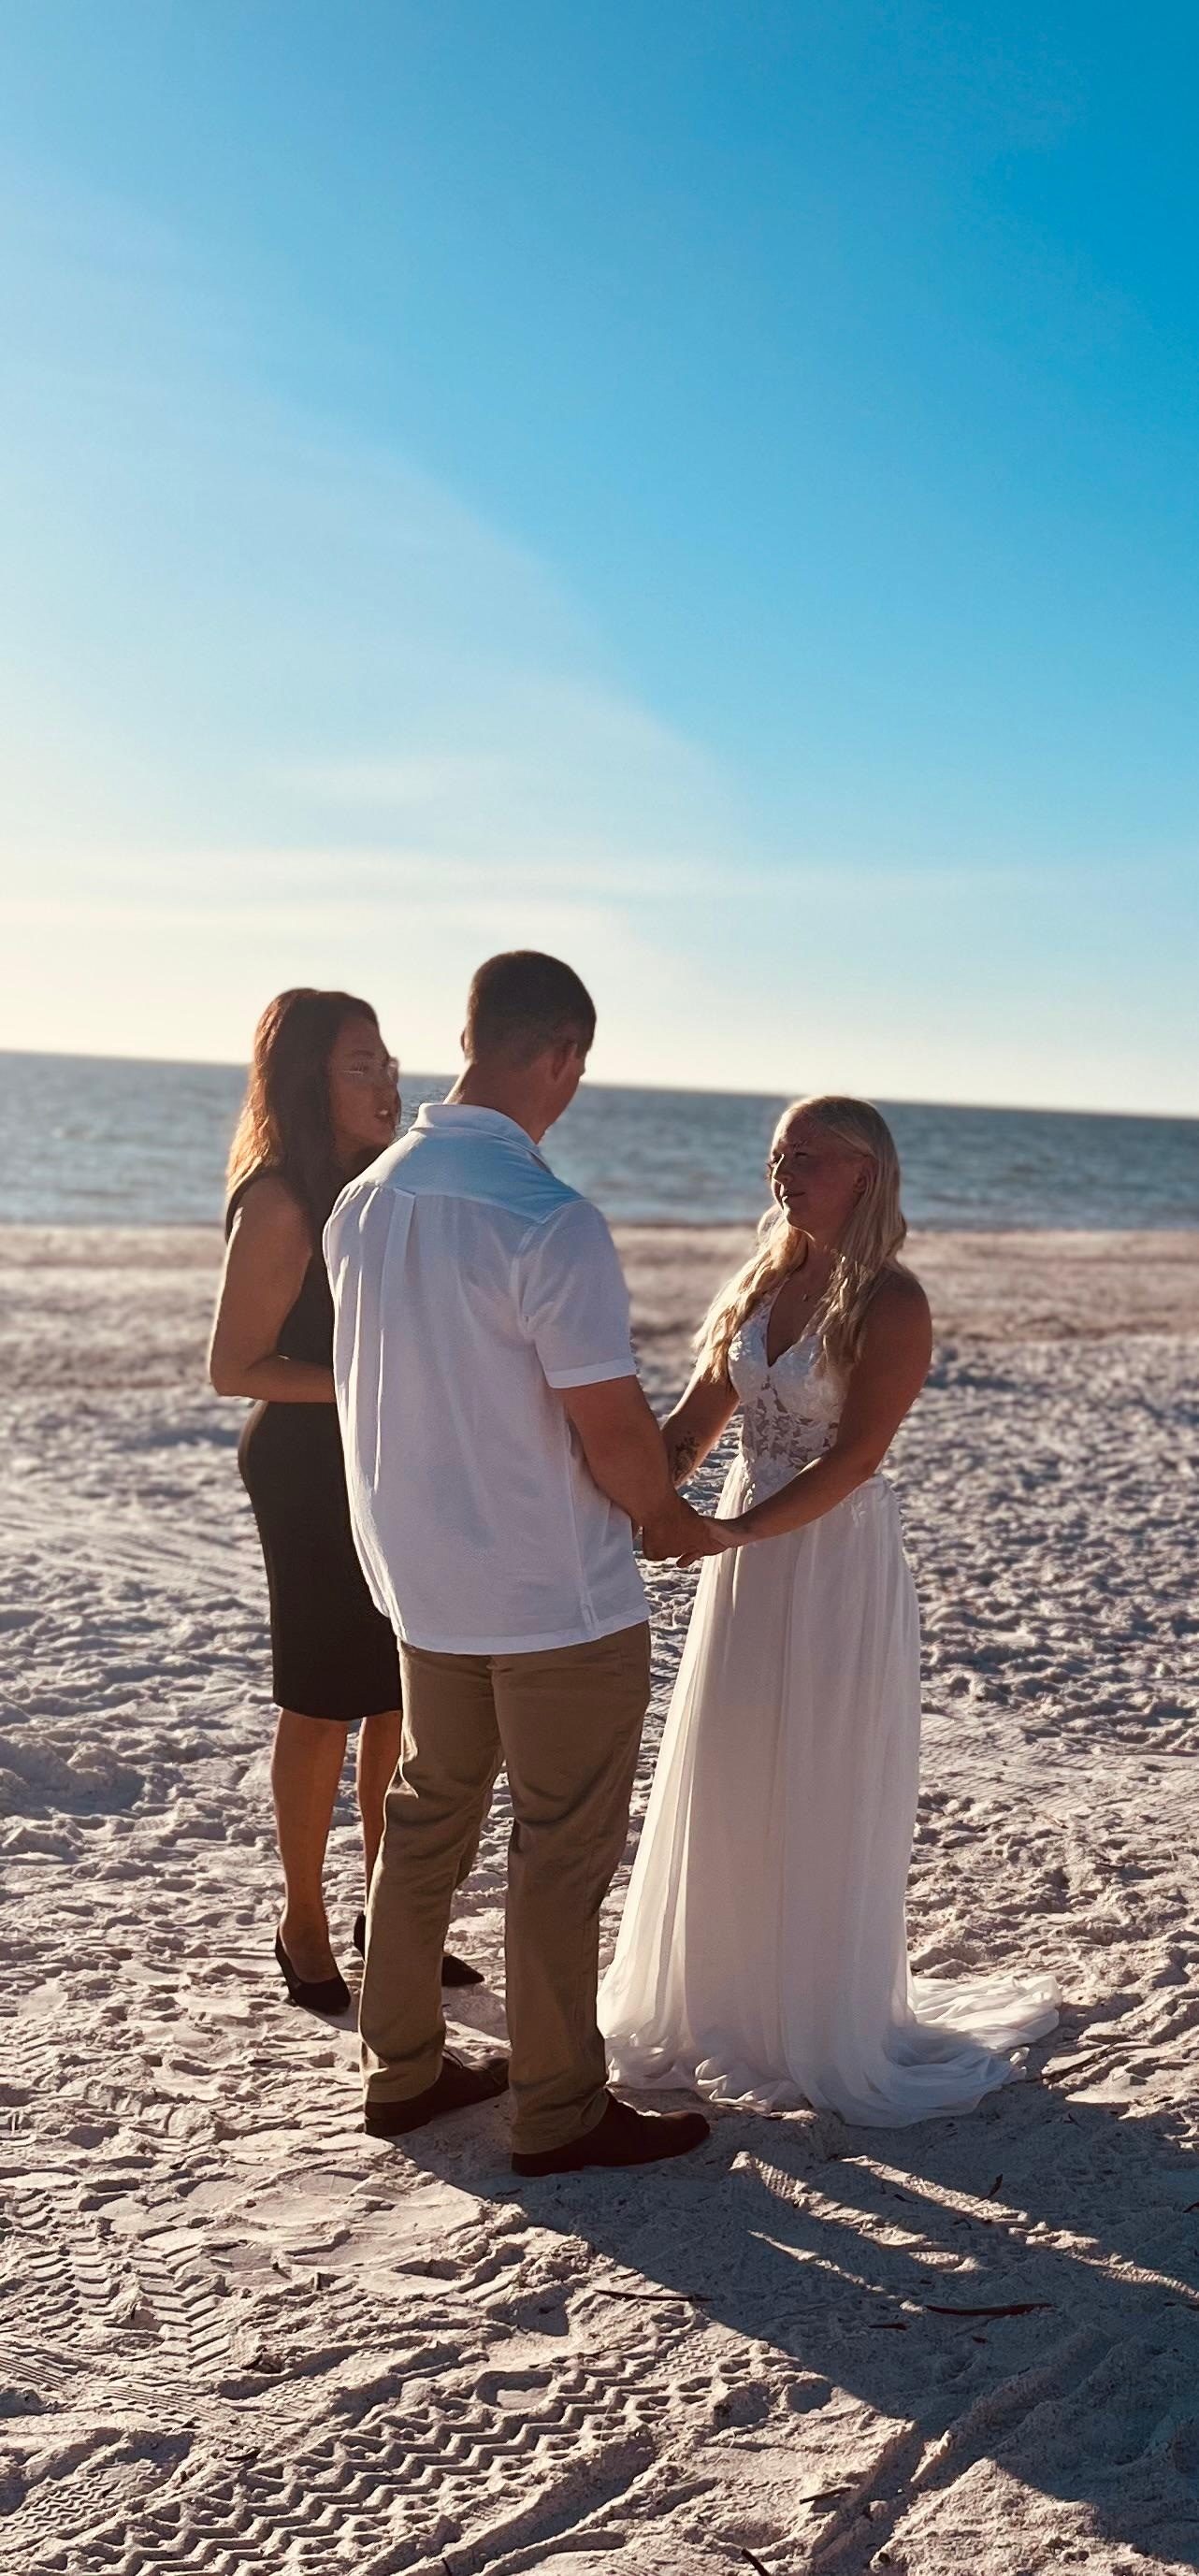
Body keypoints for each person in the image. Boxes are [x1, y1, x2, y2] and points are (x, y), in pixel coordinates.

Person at [325, 950, 721, 2173]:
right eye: (578, 1068)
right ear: (559, 1053)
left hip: (422, 1580)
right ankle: (556, 2109)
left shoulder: (365, 1199)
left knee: (427, 1812)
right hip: (553, 1595)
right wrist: (664, 1517)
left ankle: (401, 2065)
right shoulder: (548, 1217)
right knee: (558, 1848)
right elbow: (609, 1432)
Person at [600, 1095, 1059, 2123]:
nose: (784, 1170)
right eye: (775, 1152)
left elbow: (855, 1461)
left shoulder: (892, 1301)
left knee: (813, 1769)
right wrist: (629, 1485)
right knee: (730, 1756)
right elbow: (692, 1427)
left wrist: (727, 1533)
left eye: (807, 1154)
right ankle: (720, 1996)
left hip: (828, 1553)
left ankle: (811, 2014)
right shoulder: (760, 1281)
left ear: (865, 1169)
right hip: (744, 1552)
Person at [209, 988, 480, 2016]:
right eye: (360, 1064)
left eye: (387, 1061)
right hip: (305, 1469)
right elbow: (234, 1366)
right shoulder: (280, 1197)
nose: (388, 1080)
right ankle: (303, 1921)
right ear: (309, 1079)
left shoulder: (380, 1185)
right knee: (321, 1699)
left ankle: (388, 1912)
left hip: (388, 1457)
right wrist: (376, 1377)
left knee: (396, 1697)